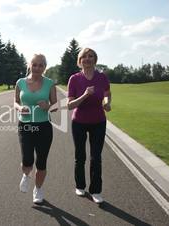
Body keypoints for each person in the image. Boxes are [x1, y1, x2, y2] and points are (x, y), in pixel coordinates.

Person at [67, 48, 112, 204]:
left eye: (91, 56)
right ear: (80, 61)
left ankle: (96, 191)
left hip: (98, 122)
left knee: (96, 157)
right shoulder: (74, 79)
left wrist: (107, 104)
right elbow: (70, 105)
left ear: (95, 59)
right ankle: (80, 186)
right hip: (78, 122)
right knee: (80, 156)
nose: (87, 59)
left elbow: (107, 94)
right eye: (84, 56)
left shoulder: (102, 77)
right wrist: (85, 95)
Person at [14, 54, 57, 204]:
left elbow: (56, 106)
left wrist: (48, 107)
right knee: (27, 160)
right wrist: (20, 108)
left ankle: (38, 189)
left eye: (41, 65)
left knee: (41, 161)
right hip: (25, 126)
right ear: (30, 65)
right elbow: (15, 102)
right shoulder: (20, 82)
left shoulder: (50, 83)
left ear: (44, 67)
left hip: (43, 126)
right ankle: (26, 176)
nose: (37, 68)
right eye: (35, 64)